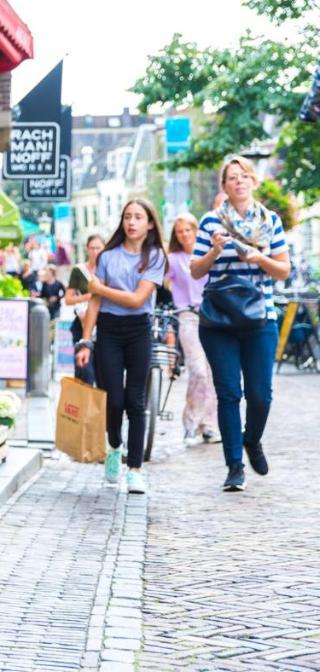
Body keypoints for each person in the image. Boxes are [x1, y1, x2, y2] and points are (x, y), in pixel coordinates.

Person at [190, 156, 291, 492]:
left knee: (261, 395)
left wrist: (258, 257)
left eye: (244, 176)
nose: (238, 182)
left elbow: (283, 270)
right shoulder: (209, 223)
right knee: (229, 393)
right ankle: (234, 466)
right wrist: (215, 251)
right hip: (218, 320)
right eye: (232, 178)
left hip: (259, 317)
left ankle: (252, 440)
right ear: (224, 186)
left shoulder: (270, 221)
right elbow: (195, 270)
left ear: (253, 181)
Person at [75, 199, 168, 494]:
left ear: (150, 223)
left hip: (139, 330)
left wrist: (99, 287)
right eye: (128, 216)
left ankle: (136, 469)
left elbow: (137, 300)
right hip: (110, 330)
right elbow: (95, 302)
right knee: (114, 401)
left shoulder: (154, 257)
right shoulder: (107, 257)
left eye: (139, 217)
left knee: (135, 401)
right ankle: (114, 446)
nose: (132, 222)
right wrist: (86, 340)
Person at [165, 213, 219, 447]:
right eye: (180, 231)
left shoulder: (208, 256)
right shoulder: (173, 259)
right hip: (188, 317)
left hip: (213, 316)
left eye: (188, 230)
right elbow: (160, 281)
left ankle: (208, 425)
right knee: (197, 370)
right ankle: (190, 421)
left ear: (197, 231)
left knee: (212, 373)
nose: (185, 234)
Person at [66, 234, 105, 385]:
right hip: (81, 323)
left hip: (103, 325)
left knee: (102, 371)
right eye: (92, 248)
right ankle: (82, 405)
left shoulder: (108, 270)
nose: (95, 252)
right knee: (84, 371)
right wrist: (88, 297)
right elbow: (68, 299)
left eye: (98, 248)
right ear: (87, 249)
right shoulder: (79, 271)